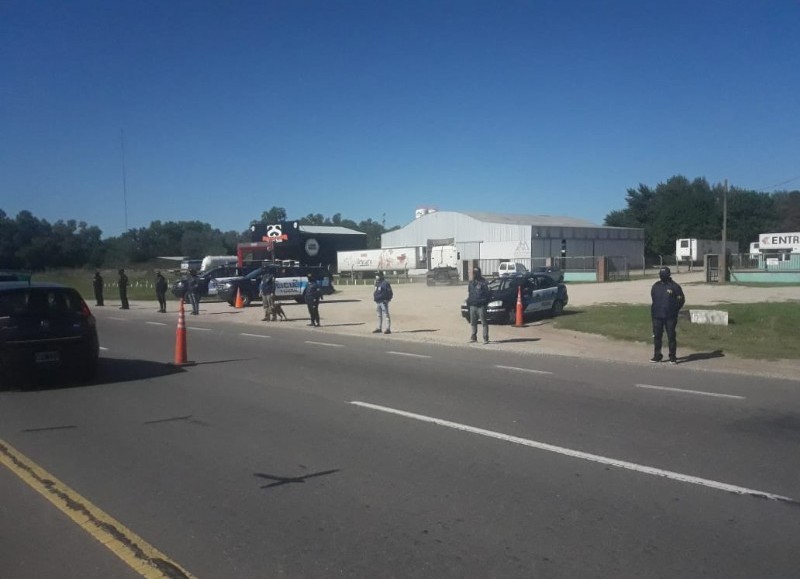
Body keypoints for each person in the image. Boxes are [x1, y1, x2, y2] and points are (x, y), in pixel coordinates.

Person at [650, 266, 685, 364]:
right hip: (657, 315)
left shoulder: (675, 286)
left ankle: (672, 357)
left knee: (671, 336)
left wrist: (674, 310)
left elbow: (681, 300)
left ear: (668, 275)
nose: (662, 276)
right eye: (661, 274)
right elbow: (653, 298)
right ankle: (657, 355)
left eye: (664, 274)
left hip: (670, 316)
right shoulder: (656, 286)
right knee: (657, 336)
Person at [466, 266, 490, 344]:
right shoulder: (471, 283)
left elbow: (487, 294)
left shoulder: (484, 282)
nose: (475, 274)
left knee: (484, 322)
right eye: (474, 273)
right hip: (473, 305)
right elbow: (470, 293)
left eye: (476, 272)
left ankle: (485, 338)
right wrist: (469, 302)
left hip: (481, 305)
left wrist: (485, 302)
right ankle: (473, 337)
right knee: (473, 322)